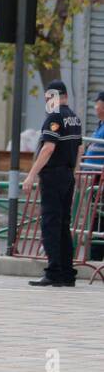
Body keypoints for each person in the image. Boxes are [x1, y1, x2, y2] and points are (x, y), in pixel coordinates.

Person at [25, 80, 83, 287]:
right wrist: (73, 172)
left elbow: (48, 148)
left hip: (53, 176)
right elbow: (79, 149)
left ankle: (53, 272)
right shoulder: (74, 118)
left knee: (50, 224)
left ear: (54, 96)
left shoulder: (55, 117)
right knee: (63, 225)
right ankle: (67, 274)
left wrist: (31, 174)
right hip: (67, 175)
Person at [82, 92, 104, 260]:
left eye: (97, 103)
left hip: (101, 178)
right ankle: (95, 255)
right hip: (96, 177)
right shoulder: (100, 125)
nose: (95, 107)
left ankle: (96, 256)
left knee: (99, 216)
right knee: (96, 215)